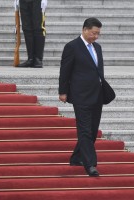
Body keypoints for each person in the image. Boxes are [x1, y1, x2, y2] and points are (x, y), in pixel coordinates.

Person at [58, 17, 105, 177]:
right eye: (93, 33)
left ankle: (76, 157)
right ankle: (90, 164)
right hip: (80, 96)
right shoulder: (72, 47)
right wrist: (63, 91)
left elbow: (99, 71)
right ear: (85, 29)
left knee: (92, 131)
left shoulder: (97, 48)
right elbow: (65, 70)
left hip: (96, 95)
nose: (96, 36)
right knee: (84, 130)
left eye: (98, 34)